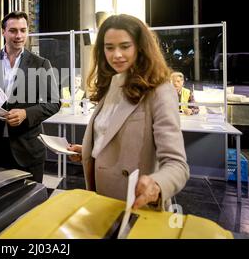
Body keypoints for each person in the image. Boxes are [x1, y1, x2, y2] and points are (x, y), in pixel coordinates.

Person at [67, 14, 189, 210]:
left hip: (136, 203)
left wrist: (157, 184)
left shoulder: (159, 90)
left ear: (140, 47)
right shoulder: (112, 84)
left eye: (125, 46)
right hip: (100, 196)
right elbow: (110, 136)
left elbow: (177, 166)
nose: (116, 55)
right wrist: (90, 150)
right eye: (109, 48)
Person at [0, 11, 60, 183]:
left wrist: (26, 114)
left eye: (23, 30)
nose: (19, 35)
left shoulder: (40, 64)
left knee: (28, 205)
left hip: (27, 151)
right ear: (3, 32)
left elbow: (54, 102)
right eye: (13, 30)